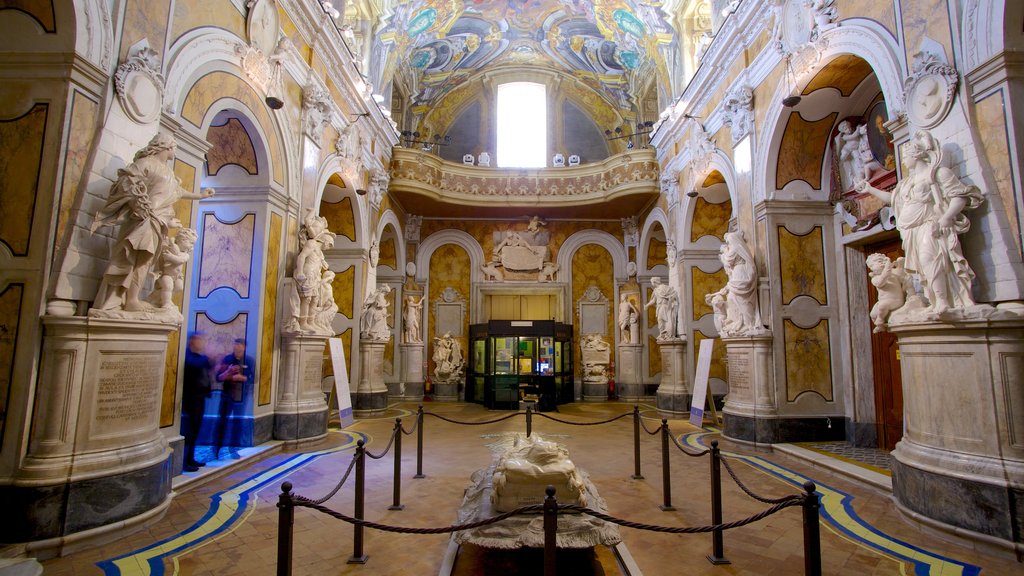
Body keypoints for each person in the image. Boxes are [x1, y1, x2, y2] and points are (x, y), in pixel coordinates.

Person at [856, 130, 984, 315]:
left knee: (931, 260)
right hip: (912, 231)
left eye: (905, 156)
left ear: (915, 155)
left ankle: (943, 301)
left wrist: (947, 216)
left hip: (930, 225)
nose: (903, 161)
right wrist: (870, 189)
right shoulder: (907, 182)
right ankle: (935, 301)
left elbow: (959, 196)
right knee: (924, 269)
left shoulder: (937, 174)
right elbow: (893, 199)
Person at [90, 133, 214, 312]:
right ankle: (124, 299)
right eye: (174, 147)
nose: (175, 151)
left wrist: (200, 195)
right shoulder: (146, 163)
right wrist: (138, 205)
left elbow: (176, 191)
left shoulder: (168, 172)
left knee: (145, 260)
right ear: (166, 146)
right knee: (133, 256)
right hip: (144, 219)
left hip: (158, 221)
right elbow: (127, 182)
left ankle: (132, 297)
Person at [213, 338, 254, 460]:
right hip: (227, 396)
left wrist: (243, 378)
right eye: (235, 345)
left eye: (239, 345)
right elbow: (218, 378)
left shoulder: (250, 361)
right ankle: (217, 448)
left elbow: (254, 378)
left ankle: (233, 448)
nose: (236, 347)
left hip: (241, 398)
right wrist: (228, 373)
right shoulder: (227, 359)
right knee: (222, 422)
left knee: (238, 423)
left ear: (244, 347)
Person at [182, 331, 213, 472]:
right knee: (190, 431)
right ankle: (185, 461)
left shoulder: (199, 358)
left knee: (194, 431)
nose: (203, 343)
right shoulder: (188, 357)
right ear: (192, 342)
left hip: (199, 398)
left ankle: (190, 458)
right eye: (201, 340)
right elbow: (197, 366)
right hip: (191, 399)